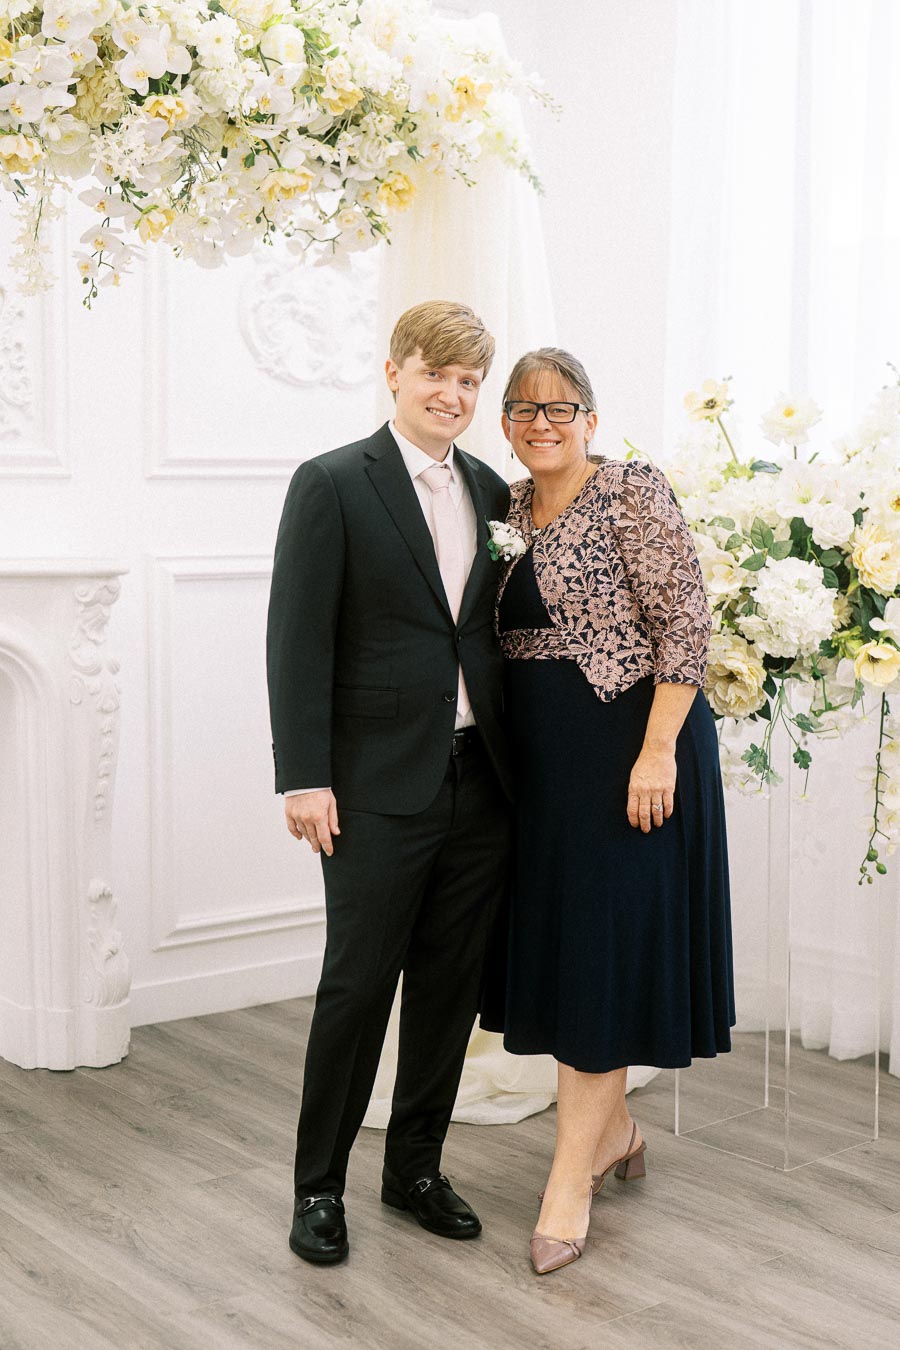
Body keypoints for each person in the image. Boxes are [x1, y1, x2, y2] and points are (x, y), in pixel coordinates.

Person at [266, 301, 513, 1266]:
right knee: (358, 987)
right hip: (371, 786)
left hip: (479, 783)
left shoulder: (495, 492)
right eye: (435, 376)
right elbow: (298, 638)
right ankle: (317, 1186)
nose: (452, 395)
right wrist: (305, 777)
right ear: (394, 373)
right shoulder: (333, 482)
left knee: (449, 990)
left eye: (467, 383)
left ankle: (414, 1168)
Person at [489, 347, 734, 1275]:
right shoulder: (504, 508)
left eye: (560, 407)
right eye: (521, 408)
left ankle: (568, 1182)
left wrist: (659, 750)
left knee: (599, 956)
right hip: (548, 770)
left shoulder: (632, 489)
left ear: (591, 416)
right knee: (569, 954)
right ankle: (618, 1130)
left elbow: (686, 622)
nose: (540, 422)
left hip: (636, 753)